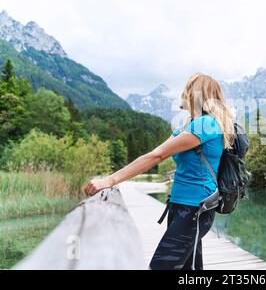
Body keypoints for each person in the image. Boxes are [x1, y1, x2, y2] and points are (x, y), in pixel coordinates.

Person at [83, 73, 235, 270]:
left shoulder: (205, 125)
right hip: (183, 206)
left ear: (195, 93)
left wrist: (109, 180)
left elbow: (155, 156)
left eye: (187, 88)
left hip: (194, 209)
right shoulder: (192, 126)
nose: (183, 92)